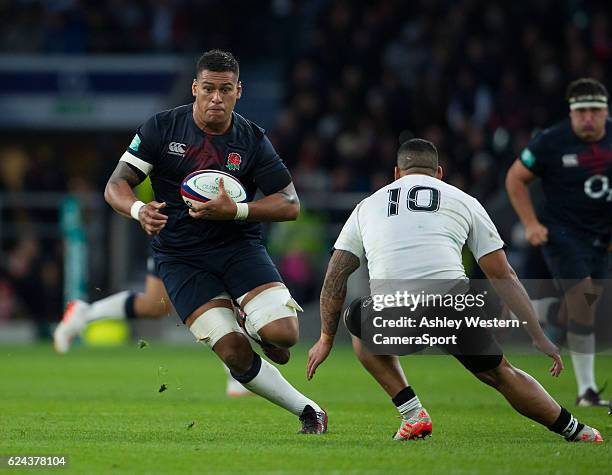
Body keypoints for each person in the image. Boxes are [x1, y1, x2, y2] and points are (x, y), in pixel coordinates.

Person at [306, 138, 602, 442]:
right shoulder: (463, 200)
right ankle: (578, 431)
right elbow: (503, 274)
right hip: (454, 307)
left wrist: (325, 339)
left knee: (359, 325)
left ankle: (413, 414)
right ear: (439, 173)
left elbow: (335, 277)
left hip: (397, 314)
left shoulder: (366, 206)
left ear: (396, 173)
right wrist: (538, 335)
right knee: (501, 374)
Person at [103, 49, 326, 434]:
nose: (216, 98)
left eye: (225, 89)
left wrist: (237, 210)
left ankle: (252, 320)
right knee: (233, 352)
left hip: (238, 247)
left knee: (283, 337)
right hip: (181, 257)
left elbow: (290, 204)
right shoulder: (161, 128)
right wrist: (139, 210)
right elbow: (115, 184)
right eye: (208, 89)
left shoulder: (252, 139)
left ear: (239, 91)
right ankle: (309, 411)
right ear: (194, 88)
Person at [505, 78, 612, 407]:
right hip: (563, 233)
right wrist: (531, 223)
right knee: (582, 298)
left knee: (587, 301)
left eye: (595, 111)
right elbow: (515, 177)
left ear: (606, 112)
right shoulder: (551, 141)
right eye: (582, 112)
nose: (589, 118)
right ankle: (587, 392)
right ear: (571, 113)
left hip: (603, 233)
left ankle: (553, 316)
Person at [53, 248, 251, 397]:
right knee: (213, 294)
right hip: (178, 233)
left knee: (154, 305)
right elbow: (118, 193)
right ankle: (237, 374)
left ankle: (86, 313)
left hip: (192, 230)